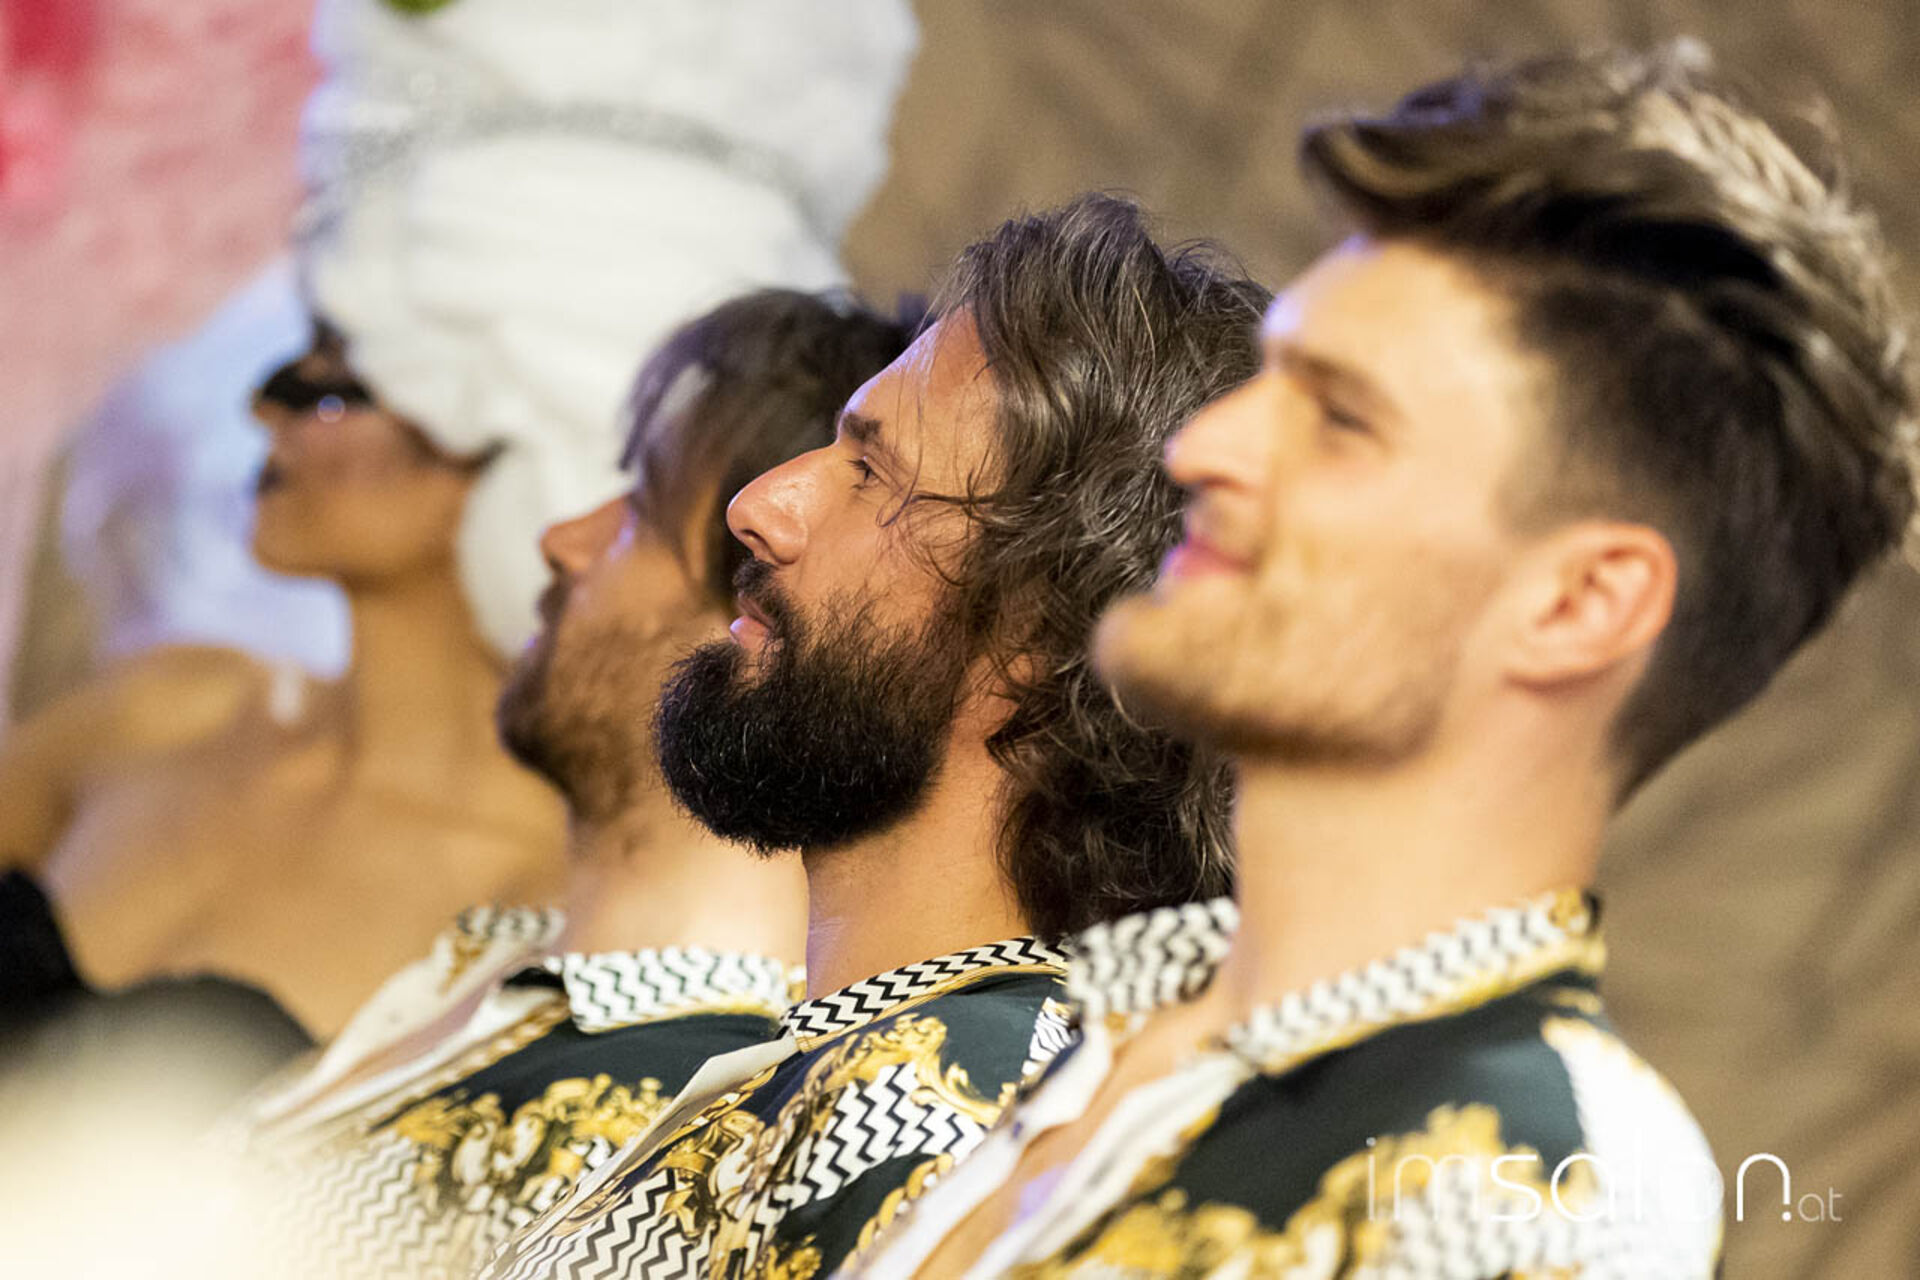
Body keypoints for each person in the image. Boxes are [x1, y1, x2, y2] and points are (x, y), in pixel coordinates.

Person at [859, 43, 1918, 1278]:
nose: (1204, 448)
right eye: (1268, 380)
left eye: (1342, 416)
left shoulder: (1525, 1186)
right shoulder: (1076, 1045)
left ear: (1579, 603)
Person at [0, 0, 916, 1040]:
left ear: (514, 430)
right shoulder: (170, 703)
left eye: (336, 376)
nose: (264, 407)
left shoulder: (560, 902)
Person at [475, 194, 1269, 1280]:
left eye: (870, 472)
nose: (759, 505)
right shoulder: (873, 1064)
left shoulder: (937, 1121)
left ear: (1047, 633)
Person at [213, 289, 917, 1280]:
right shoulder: (507, 972)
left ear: (760, 604)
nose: (565, 538)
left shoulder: (670, 1124)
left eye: (641, 508)